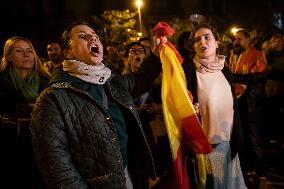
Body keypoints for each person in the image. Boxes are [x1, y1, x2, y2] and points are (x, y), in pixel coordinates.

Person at [29, 21, 162, 189]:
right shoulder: (51, 99)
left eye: (95, 36)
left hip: (130, 175)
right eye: (82, 36)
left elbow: (139, 80)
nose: (92, 38)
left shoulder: (111, 81)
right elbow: (58, 169)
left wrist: (156, 55)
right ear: (68, 52)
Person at [182, 23, 247, 189]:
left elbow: (233, 106)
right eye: (197, 40)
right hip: (208, 145)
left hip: (229, 142)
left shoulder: (225, 70)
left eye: (206, 37)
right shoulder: (188, 70)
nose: (202, 42)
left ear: (217, 42)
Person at [0, 36, 50, 188]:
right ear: (8, 56)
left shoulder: (47, 83)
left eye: (29, 51)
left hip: (41, 150)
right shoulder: (2, 83)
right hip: (9, 151)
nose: (26, 54)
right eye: (19, 51)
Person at [229, 29, 267, 187]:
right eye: (235, 39)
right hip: (236, 103)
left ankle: (262, 174)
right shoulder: (232, 55)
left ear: (248, 41)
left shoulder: (257, 54)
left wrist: (234, 77)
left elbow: (258, 77)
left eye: (240, 39)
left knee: (254, 139)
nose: (236, 42)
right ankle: (246, 170)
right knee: (240, 137)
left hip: (251, 104)